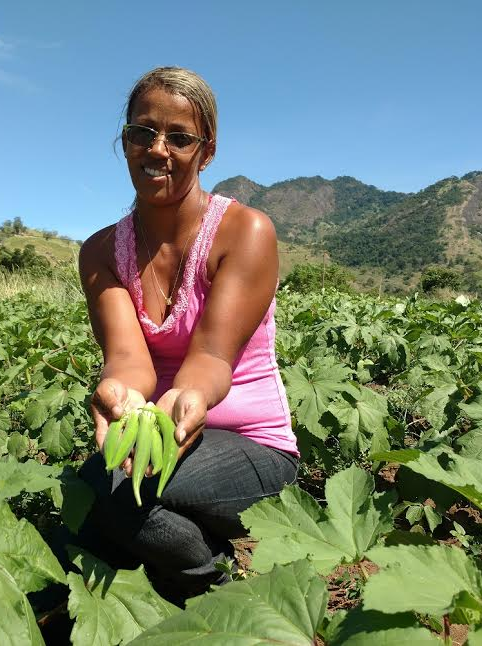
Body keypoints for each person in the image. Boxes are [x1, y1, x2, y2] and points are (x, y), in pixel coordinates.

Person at [76, 66, 298, 603]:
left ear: (207, 151)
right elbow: (129, 360)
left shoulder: (245, 232)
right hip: (159, 434)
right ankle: (197, 552)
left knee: (113, 499)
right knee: (93, 495)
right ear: (124, 141)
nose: (158, 149)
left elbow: (213, 356)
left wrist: (191, 396)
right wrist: (120, 393)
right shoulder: (101, 252)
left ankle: (210, 591)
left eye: (179, 137)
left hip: (252, 445)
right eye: (141, 133)